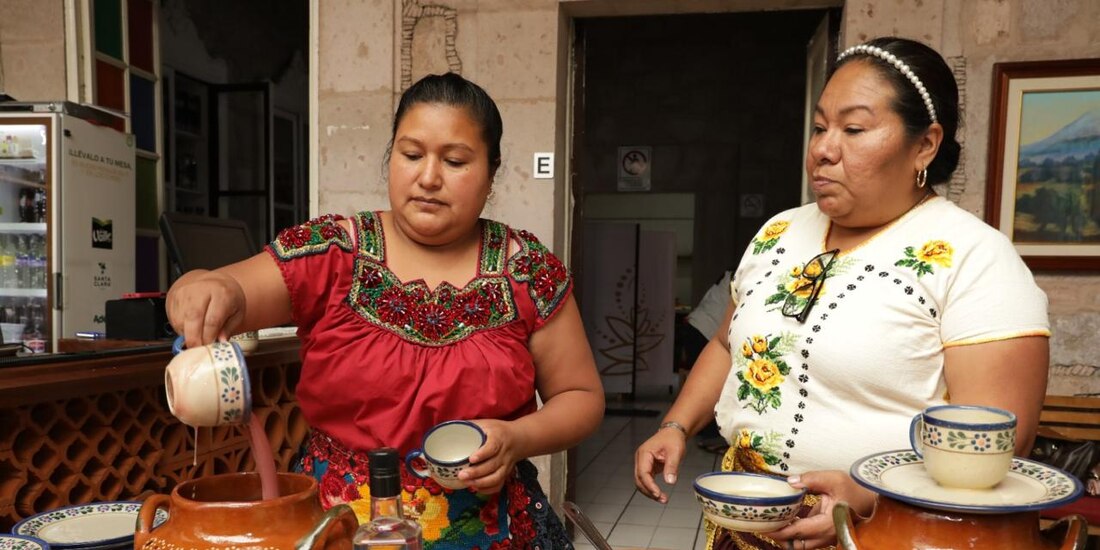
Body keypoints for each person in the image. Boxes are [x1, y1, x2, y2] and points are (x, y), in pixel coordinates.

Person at [634, 36, 1050, 550]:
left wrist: (870, 496)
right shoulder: (778, 233)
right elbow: (725, 345)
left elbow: (997, 447)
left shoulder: (975, 258)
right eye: (819, 127)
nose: (823, 149)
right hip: (747, 521)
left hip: (887, 532)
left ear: (925, 145)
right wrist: (676, 425)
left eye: (853, 129)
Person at [167, 72, 605, 549]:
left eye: (455, 161)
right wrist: (200, 289)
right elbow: (226, 287)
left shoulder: (527, 269)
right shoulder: (332, 251)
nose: (429, 178)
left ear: (491, 172)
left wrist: (518, 438)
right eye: (411, 155)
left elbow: (580, 396)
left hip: (493, 528)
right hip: (340, 527)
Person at [680, 270, 733, 453]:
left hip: (697, 325)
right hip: (706, 330)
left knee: (704, 377)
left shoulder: (729, 274)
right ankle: (710, 435)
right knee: (711, 380)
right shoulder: (740, 275)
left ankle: (705, 432)